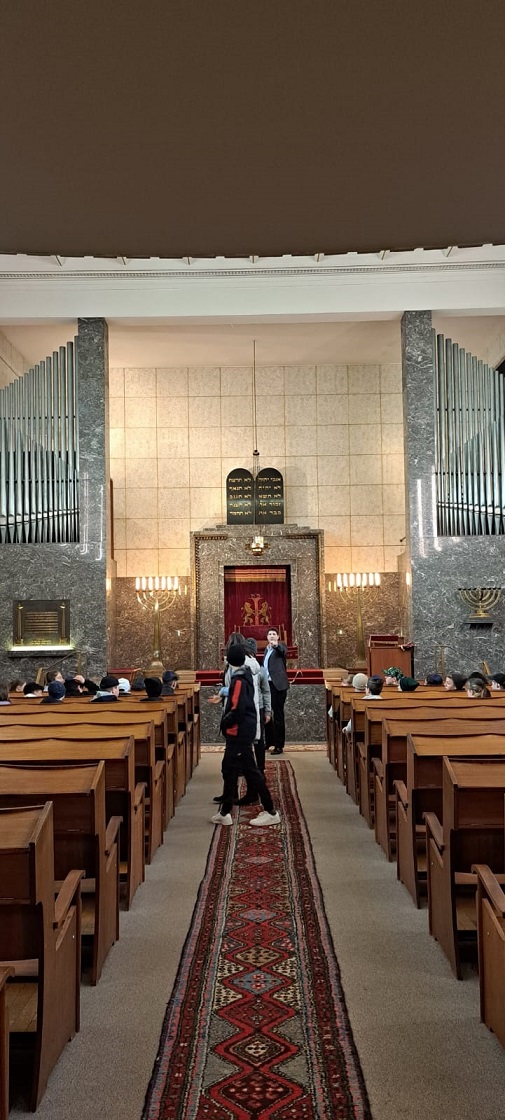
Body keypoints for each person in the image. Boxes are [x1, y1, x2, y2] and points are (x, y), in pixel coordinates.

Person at [211, 644, 280, 828]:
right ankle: (225, 812)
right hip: (241, 729)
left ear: (229, 660)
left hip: (240, 730)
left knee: (250, 770)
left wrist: (225, 722)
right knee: (229, 768)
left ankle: (271, 811)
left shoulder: (239, 679)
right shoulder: (244, 674)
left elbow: (237, 707)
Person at [263, 627, 289, 755]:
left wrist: (276, 645)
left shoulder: (281, 647)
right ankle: (269, 741)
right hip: (267, 685)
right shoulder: (266, 650)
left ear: (278, 637)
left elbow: (282, 651)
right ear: (267, 637)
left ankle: (279, 745)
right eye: (269, 634)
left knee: (278, 715)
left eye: (274, 634)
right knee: (267, 713)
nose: (272, 636)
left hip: (278, 686)